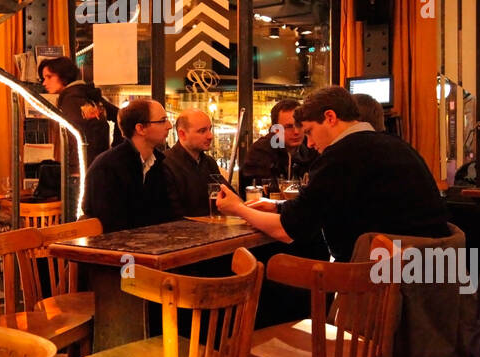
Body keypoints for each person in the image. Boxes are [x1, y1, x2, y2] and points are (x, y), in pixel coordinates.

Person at [216, 86, 448, 260]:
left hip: (384, 287)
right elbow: (326, 203)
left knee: (272, 272)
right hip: (430, 274)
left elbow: (286, 231)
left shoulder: (341, 156)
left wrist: (237, 208)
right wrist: (278, 206)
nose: (310, 142)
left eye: (309, 132)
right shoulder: (395, 145)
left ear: (330, 117)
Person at [81, 98, 172, 233]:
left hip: (150, 247)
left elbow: (164, 214)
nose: (169, 125)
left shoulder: (158, 163)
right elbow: (111, 224)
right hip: (114, 249)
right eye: (162, 120)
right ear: (140, 128)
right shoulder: (107, 167)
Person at [40, 56, 119, 162]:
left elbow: (78, 138)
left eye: (49, 77)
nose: (44, 83)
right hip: (99, 163)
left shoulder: (71, 99)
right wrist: (115, 150)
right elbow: (121, 115)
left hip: (83, 166)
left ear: (64, 76)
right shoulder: (87, 94)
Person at [239, 99, 316, 190]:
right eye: (288, 127)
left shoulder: (311, 146)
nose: (296, 132)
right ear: (275, 129)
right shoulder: (261, 151)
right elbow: (264, 190)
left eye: (299, 125)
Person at [162, 109, 221, 219]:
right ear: (182, 134)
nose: (210, 136)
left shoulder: (209, 163)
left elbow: (225, 198)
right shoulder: (166, 164)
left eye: (210, 129)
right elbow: (173, 214)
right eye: (202, 131)